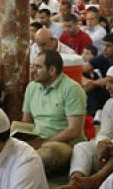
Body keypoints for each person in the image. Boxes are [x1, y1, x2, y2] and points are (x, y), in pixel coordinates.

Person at [20, 48, 87, 179]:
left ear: (52, 70)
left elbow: (74, 130)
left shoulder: (72, 89)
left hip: (62, 144)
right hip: (37, 141)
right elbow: (26, 122)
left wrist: (43, 142)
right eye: (33, 66)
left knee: (48, 153)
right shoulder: (32, 87)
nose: (32, 70)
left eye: (38, 67)